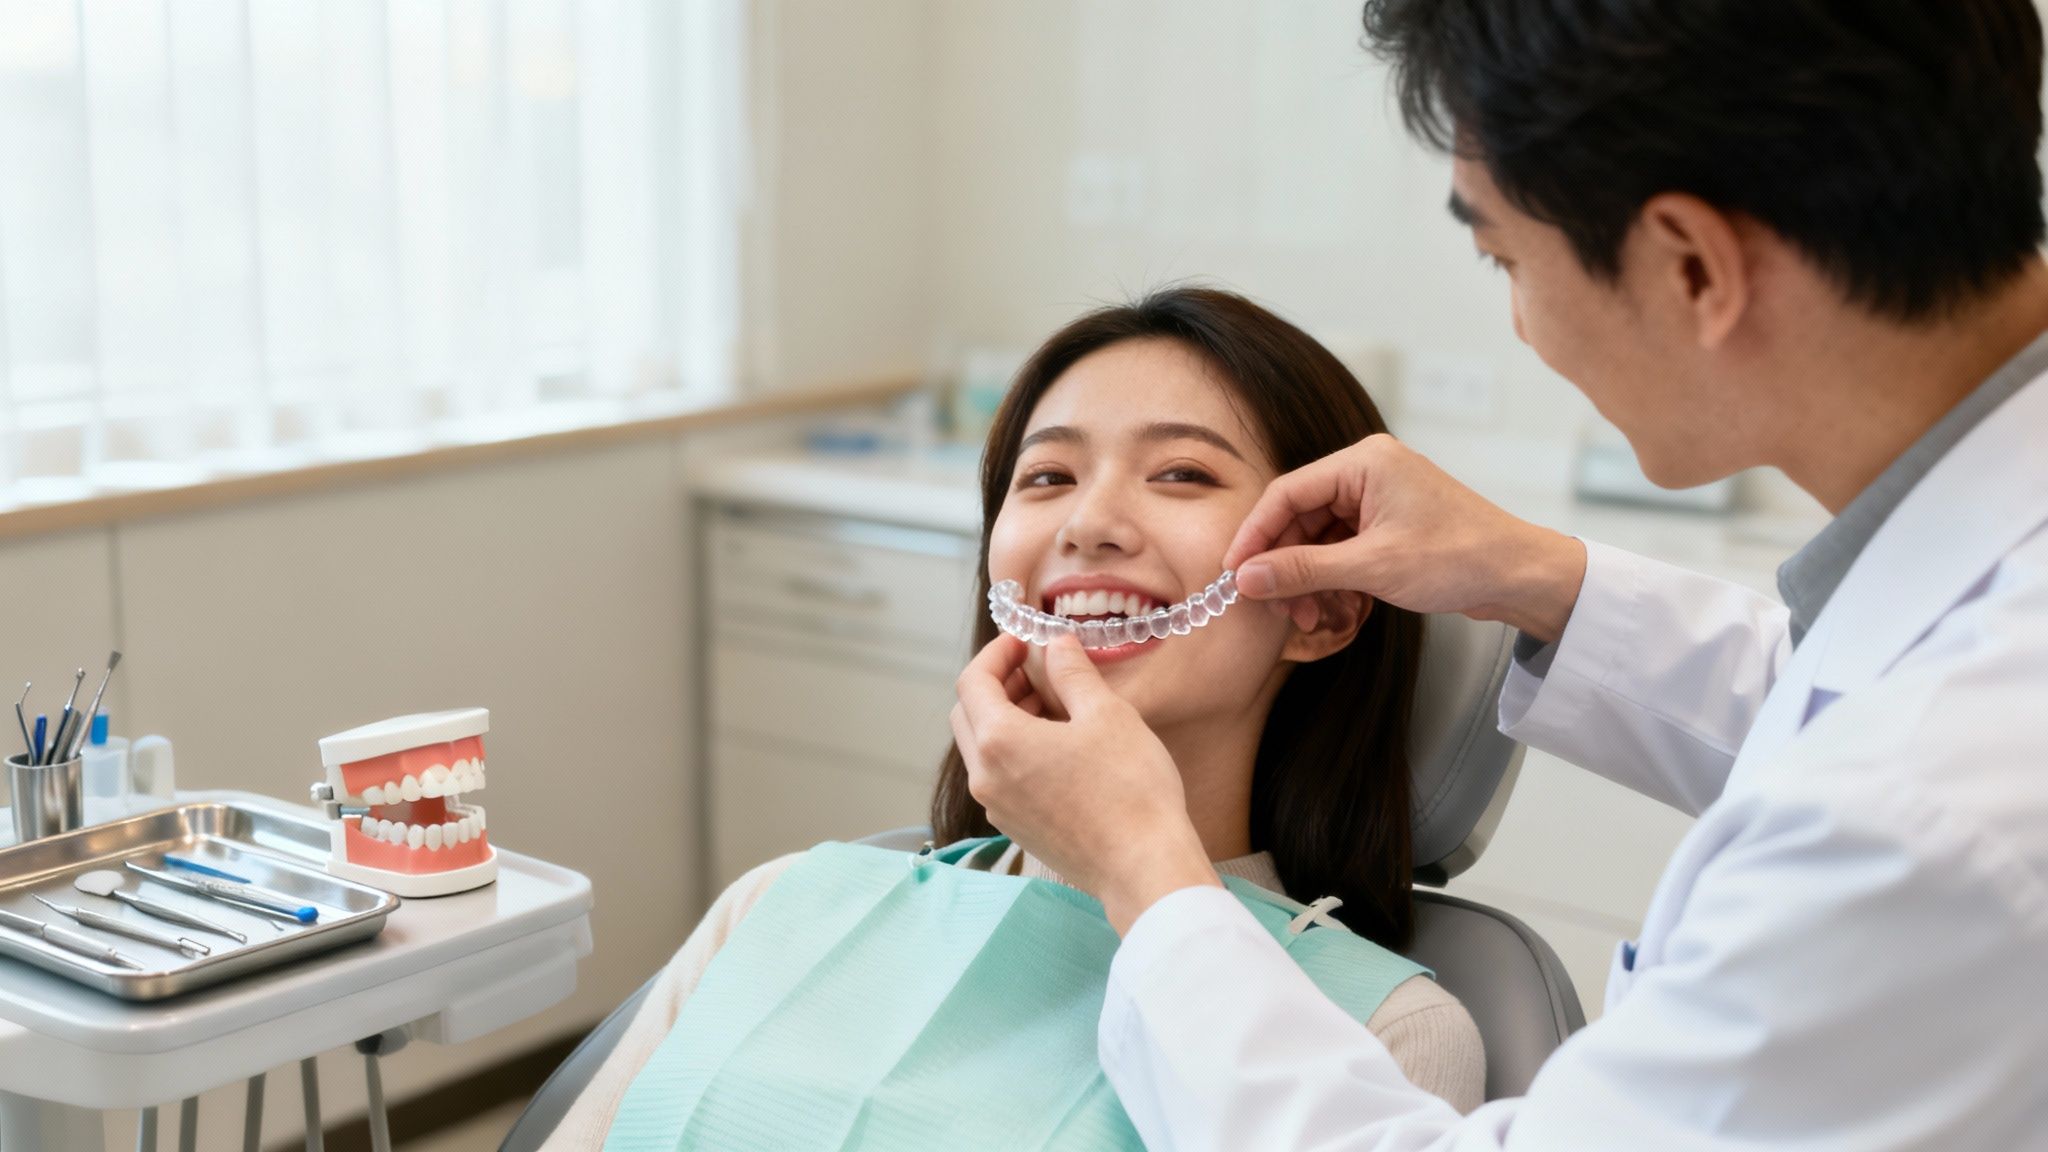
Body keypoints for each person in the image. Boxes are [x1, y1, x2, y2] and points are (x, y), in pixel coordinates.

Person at [951, 1, 2048, 1148]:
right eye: (1045, 478)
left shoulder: (1930, 808)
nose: (1523, 327)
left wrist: (1143, 868)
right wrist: (1534, 575)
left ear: (1689, 266)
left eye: (1503, 257)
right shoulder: (1958, 650)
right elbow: (1835, 705)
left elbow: (1894, 772)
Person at [538, 288, 1482, 1149]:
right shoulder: (776, 904)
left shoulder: (1383, 1031)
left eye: (1184, 473)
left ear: (1317, 606)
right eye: (1046, 478)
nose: (1089, 523)